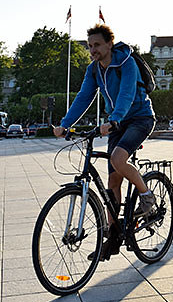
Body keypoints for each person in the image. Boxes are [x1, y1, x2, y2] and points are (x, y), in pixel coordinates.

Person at [53, 24, 156, 261]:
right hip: (116, 122)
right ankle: (113, 235)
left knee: (118, 159)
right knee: (112, 180)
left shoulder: (126, 62)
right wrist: (65, 124)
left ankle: (146, 194)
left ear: (110, 43)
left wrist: (115, 118)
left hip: (139, 118)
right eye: (90, 46)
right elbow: (83, 97)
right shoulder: (94, 70)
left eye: (97, 45)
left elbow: (127, 93)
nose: (93, 50)